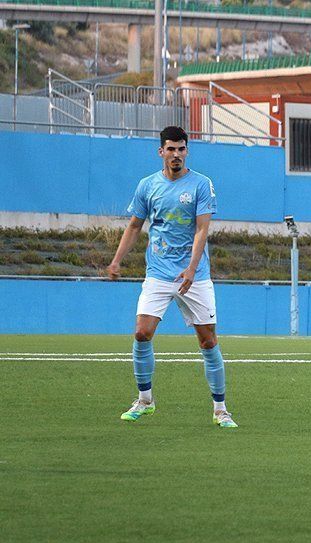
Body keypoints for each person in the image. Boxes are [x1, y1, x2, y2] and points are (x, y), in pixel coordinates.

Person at [107, 126, 237, 428]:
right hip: (158, 272)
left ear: (186, 151)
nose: (176, 154)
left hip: (195, 275)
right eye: (170, 149)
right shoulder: (147, 186)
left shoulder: (202, 184)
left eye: (181, 149)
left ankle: (220, 409)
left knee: (208, 341)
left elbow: (202, 228)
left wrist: (191, 268)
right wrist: (116, 260)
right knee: (142, 332)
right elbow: (135, 226)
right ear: (161, 152)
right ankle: (145, 401)